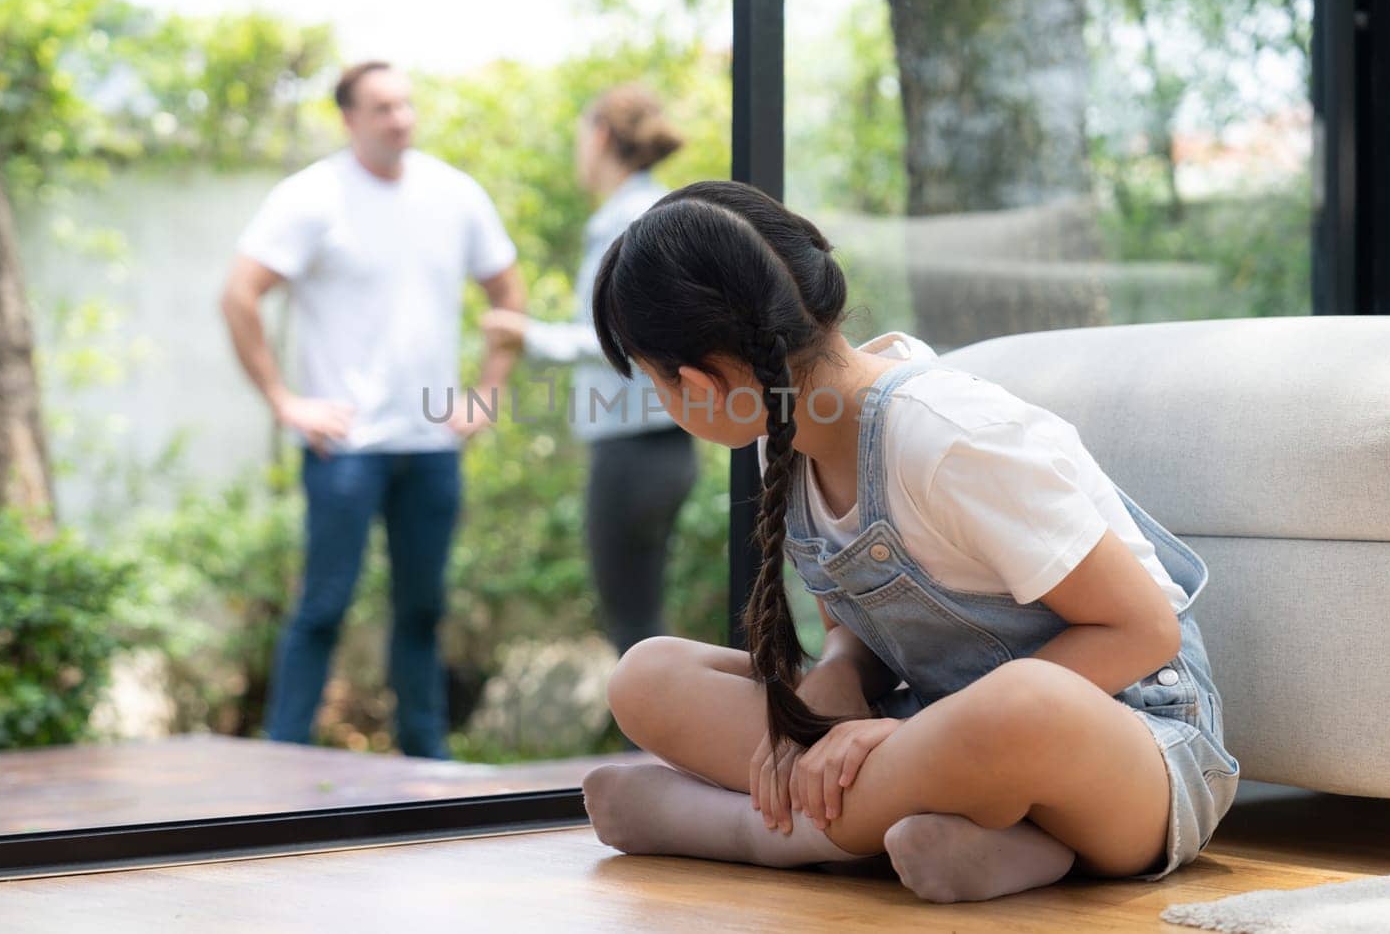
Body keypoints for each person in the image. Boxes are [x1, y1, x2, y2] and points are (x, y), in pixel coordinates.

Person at [578, 181, 1240, 902]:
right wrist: (838, 672)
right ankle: (1000, 845)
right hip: (935, 733)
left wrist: (910, 736)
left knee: (1023, 702)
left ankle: (753, 834)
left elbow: (1141, 629)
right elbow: (862, 627)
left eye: (655, 384)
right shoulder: (788, 436)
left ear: (701, 382)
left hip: (1131, 744)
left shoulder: (944, 435)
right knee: (647, 676)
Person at [220, 60, 525, 759]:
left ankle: (427, 766)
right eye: (383, 108)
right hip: (346, 447)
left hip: (431, 446)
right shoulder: (311, 197)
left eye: (407, 105)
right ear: (349, 119)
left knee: (422, 611)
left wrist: (488, 391)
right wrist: (283, 400)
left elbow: (507, 293)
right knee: (322, 607)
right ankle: (281, 761)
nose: (401, 119)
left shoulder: (455, 194)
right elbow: (239, 294)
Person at [479, 85, 697, 660]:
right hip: (665, 447)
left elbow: (622, 336)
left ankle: (663, 745)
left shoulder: (627, 218)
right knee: (641, 616)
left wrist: (529, 336)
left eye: (581, 137)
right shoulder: (652, 208)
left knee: (633, 626)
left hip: (634, 452)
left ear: (600, 136)